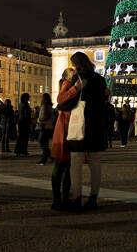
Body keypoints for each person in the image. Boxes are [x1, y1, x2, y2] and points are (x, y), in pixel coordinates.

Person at [66, 52, 106, 212]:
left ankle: (76, 197)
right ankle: (93, 197)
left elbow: (70, 101)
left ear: (76, 65)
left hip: (80, 123)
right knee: (95, 162)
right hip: (96, 124)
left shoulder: (79, 78)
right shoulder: (101, 79)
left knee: (76, 162)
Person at [51, 68, 80, 210]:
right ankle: (58, 199)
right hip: (64, 125)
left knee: (67, 165)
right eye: (72, 72)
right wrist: (75, 88)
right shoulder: (66, 84)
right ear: (66, 76)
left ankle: (63, 197)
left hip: (70, 124)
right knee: (62, 164)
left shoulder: (73, 83)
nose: (75, 73)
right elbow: (60, 99)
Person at [35, 93, 54, 164]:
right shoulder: (50, 106)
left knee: (42, 142)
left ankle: (45, 158)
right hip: (49, 126)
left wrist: (38, 119)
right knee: (44, 143)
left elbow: (43, 117)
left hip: (44, 126)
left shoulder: (45, 106)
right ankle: (50, 156)